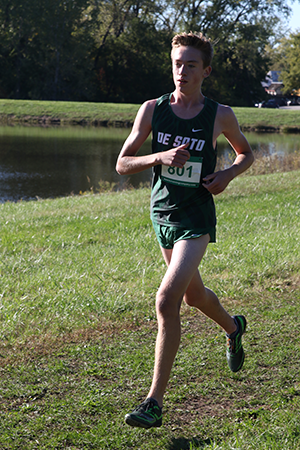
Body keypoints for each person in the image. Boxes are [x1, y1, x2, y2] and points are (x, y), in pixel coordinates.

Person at [116, 31, 254, 429]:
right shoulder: (152, 109)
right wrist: (159, 156)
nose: (182, 71)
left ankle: (153, 402)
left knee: (165, 300)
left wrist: (227, 174)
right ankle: (233, 327)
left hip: (196, 219)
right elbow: (122, 164)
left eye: (191, 64)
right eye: (177, 63)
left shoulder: (219, 114)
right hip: (162, 215)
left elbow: (245, 153)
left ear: (205, 70)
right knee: (193, 298)